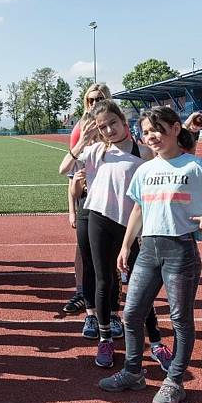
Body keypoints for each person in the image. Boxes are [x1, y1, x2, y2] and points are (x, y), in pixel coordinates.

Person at [99, 105, 202, 403]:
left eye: (157, 129)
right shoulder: (144, 169)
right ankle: (132, 372)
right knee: (131, 314)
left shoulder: (194, 166)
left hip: (180, 251)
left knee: (180, 319)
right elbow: (138, 209)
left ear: (176, 129)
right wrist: (126, 246)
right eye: (146, 131)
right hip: (148, 250)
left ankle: (174, 382)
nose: (151, 136)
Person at [60, 100, 173, 370]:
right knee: (104, 281)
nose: (109, 130)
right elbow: (64, 169)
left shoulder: (143, 152)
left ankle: (156, 341)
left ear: (123, 121)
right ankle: (105, 338)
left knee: (139, 283)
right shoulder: (96, 150)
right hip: (98, 219)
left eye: (112, 123)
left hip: (131, 225)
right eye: (103, 127)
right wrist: (82, 142)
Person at [63, 83, 112, 314]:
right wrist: (71, 209)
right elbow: (69, 172)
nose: (94, 103)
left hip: (110, 199)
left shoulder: (115, 125)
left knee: (111, 252)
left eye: (99, 98)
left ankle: (112, 304)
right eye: (90, 99)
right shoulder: (80, 128)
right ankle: (82, 292)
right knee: (82, 251)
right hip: (85, 198)